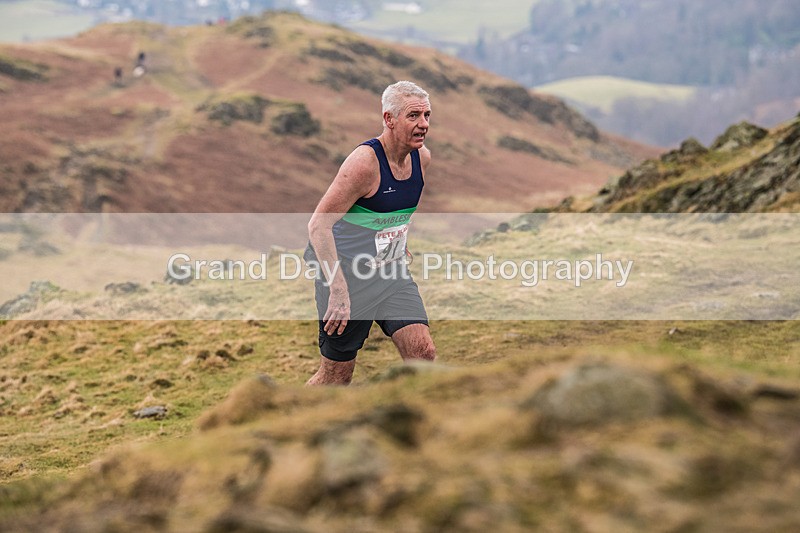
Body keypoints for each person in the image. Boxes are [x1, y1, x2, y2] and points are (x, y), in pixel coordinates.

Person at [305, 80, 436, 385]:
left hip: (391, 274)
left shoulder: (422, 159)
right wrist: (337, 289)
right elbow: (318, 225)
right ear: (389, 119)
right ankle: (285, 422)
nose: (423, 124)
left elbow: (393, 209)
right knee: (336, 378)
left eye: (427, 115)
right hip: (347, 278)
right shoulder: (364, 164)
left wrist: (398, 241)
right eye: (413, 116)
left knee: (423, 354)